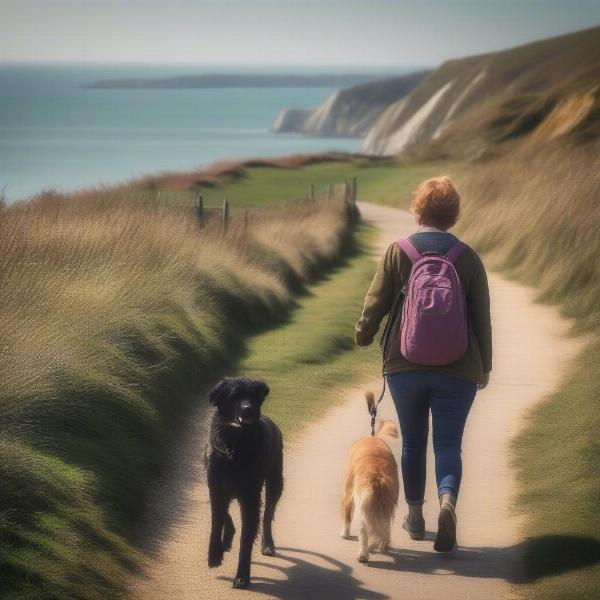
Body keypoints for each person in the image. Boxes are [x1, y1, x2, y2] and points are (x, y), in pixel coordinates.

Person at [355, 176, 492, 552]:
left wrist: (364, 333)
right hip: (459, 368)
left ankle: (414, 517)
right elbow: (482, 318)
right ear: (453, 213)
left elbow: (375, 302)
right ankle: (447, 501)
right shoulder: (468, 257)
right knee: (449, 445)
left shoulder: (399, 251)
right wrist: (485, 366)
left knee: (413, 443)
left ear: (419, 208)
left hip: (405, 365)